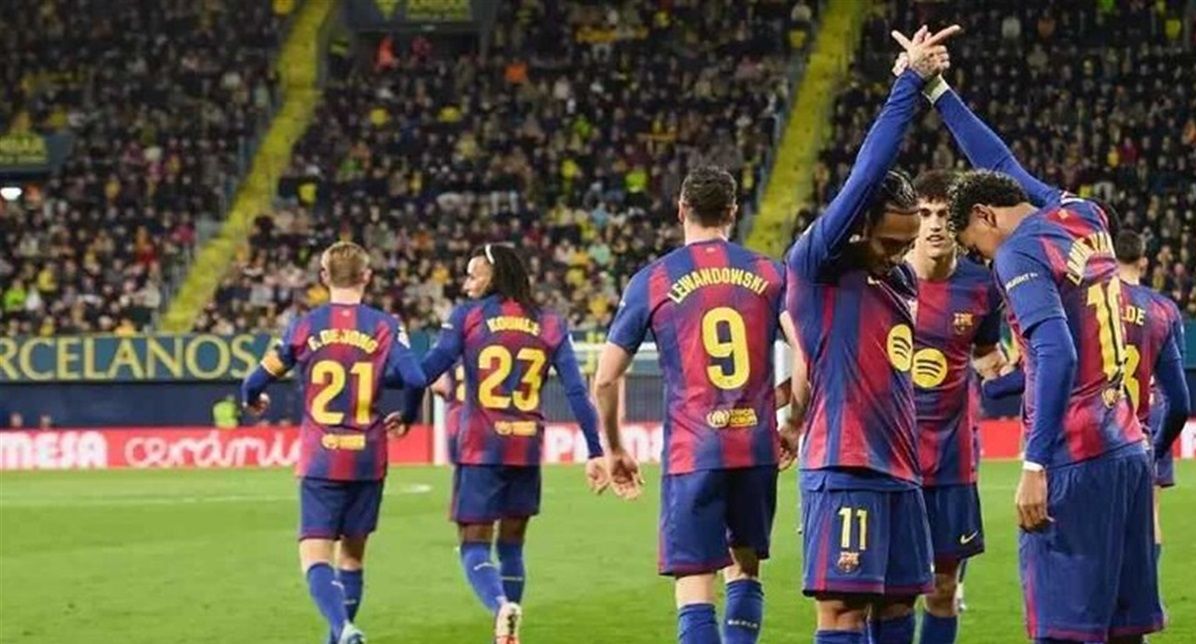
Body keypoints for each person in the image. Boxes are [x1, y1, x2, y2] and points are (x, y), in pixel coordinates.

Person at [933, 41, 1163, 642]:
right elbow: (1001, 162)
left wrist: (1034, 464)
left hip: (1074, 458)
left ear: (984, 217)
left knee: (1063, 631)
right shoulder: (1085, 214)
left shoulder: (1018, 253)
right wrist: (937, 92)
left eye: (974, 247)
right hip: (1127, 449)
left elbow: (1057, 352)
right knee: (1123, 630)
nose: (984, 261)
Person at [782, 26, 956, 644]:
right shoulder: (818, 264)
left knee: (898, 609)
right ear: (858, 227)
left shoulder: (900, 281)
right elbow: (865, 176)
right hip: (845, 465)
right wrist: (908, 83)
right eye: (888, 242)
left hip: (901, 469)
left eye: (905, 244)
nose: (897, 254)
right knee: (844, 612)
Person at [593, 165, 788, 644]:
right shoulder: (770, 273)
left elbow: (605, 379)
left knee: (695, 580)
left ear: (681, 210)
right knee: (745, 567)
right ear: (733, 212)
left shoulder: (654, 279)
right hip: (755, 445)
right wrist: (789, 413)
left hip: (692, 452)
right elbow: (810, 356)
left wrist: (614, 448)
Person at [420, 243, 609, 644]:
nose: (466, 284)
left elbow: (428, 371)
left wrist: (389, 376)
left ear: (494, 275)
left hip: (480, 447)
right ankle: (509, 634)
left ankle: (500, 607)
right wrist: (595, 450)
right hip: (526, 446)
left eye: (473, 275)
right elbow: (576, 392)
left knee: (473, 545)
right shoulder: (550, 324)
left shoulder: (468, 317)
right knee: (512, 546)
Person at [240, 241, 427, 644]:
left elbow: (255, 380)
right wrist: (409, 416)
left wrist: (253, 399)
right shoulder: (385, 325)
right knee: (353, 557)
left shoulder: (305, 325)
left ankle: (342, 629)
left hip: (321, 455)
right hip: (368, 455)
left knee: (314, 554)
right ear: (367, 276)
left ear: (324, 277)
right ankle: (341, 635)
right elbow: (414, 379)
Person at [904, 169, 1006, 644]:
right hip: (892, 458)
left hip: (953, 460)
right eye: (924, 213)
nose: (935, 224)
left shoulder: (982, 287)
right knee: (889, 592)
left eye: (944, 214)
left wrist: (1012, 373)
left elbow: (986, 356)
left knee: (943, 590)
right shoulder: (884, 280)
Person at [1114, 229, 1191, 572]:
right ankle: (1146, 592)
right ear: (1144, 262)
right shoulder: (1164, 309)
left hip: (1106, 415)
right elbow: (1177, 379)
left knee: (1102, 516)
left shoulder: (1094, 302)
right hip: (1152, 416)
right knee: (1149, 513)